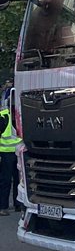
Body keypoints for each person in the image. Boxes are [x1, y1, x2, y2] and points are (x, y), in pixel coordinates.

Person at [0, 86, 21, 216]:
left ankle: (18, 204)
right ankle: (3, 207)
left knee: (18, 181)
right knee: (6, 180)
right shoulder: (3, 116)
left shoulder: (21, 115)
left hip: (18, 152)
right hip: (6, 152)